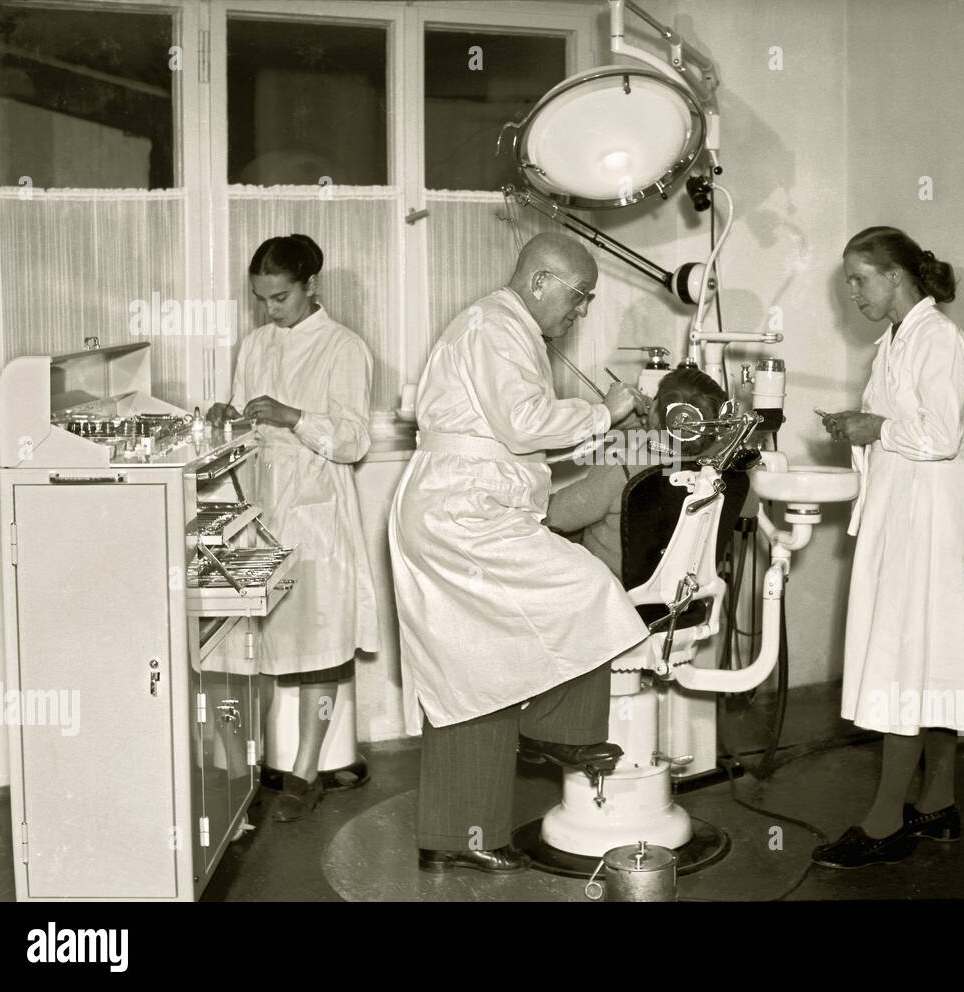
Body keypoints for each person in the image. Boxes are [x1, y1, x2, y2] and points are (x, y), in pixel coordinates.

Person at [389, 233, 651, 875]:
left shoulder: (504, 329)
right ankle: (556, 731)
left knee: (470, 675)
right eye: (579, 295)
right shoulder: (495, 326)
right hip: (464, 520)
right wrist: (607, 410)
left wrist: (598, 428)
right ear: (541, 282)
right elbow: (524, 423)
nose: (581, 310)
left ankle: (454, 838)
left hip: (464, 511)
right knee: (588, 590)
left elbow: (513, 435)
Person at [813, 226, 964, 869]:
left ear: (896, 276)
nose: (854, 294)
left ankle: (885, 821)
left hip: (936, 521)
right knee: (931, 658)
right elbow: (900, 427)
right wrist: (860, 429)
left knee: (911, 660)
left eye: (860, 280)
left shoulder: (939, 339)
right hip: (907, 515)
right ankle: (941, 803)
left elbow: (942, 433)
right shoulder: (893, 343)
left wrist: (877, 428)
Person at [207, 234, 378, 822]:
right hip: (256, 509)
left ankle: (306, 772)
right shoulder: (254, 344)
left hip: (315, 516)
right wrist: (226, 419)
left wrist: (293, 416)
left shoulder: (343, 347)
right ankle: (239, 774)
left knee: (317, 649)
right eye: (261, 299)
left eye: (279, 297)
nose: (269, 310)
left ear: (312, 287)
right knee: (232, 651)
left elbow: (354, 439)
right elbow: (242, 424)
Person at [545, 367, 728, 582]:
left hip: (616, 597)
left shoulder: (622, 467)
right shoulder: (719, 472)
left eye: (656, 399)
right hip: (683, 596)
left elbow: (555, 515)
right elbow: (748, 506)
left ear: (660, 418)